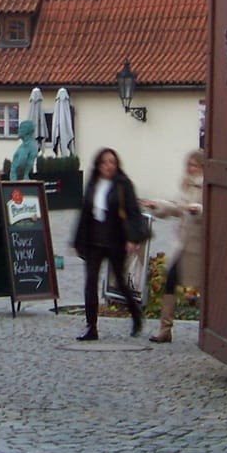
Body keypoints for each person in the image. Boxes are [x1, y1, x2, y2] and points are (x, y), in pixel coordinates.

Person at [71, 146, 146, 341]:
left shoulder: (123, 184)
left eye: (112, 162)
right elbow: (84, 213)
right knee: (90, 283)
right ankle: (91, 326)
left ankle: (136, 314)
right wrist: (77, 241)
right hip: (94, 240)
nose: (108, 166)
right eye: (104, 162)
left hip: (115, 238)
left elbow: (133, 212)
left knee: (120, 283)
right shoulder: (93, 183)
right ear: (98, 164)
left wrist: (133, 238)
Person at [140, 149, 205, 343]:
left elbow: (211, 210)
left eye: (195, 165)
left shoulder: (206, 186)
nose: (191, 168)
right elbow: (177, 208)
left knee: (202, 287)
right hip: (184, 245)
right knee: (171, 280)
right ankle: (165, 329)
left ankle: (210, 330)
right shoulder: (186, 185)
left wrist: (197, 210)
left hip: (200, 246)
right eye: (189, 165)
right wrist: (157, 206)